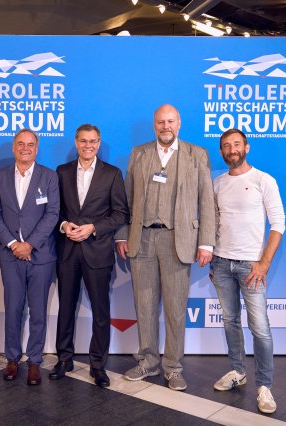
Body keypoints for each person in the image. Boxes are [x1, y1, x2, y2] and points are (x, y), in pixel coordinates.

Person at [115, 104, 215, 391]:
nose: (165, 126)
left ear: (179, 123)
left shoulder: (197, 154)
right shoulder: (139, 153)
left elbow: (206, 200)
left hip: (178, 241)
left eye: (170, 121)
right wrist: (122, 235)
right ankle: (148, 361)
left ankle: (173, 367)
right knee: (144, 305)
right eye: (161, 122)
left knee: (175, 308)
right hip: (142, 239)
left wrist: (206, 242)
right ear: (154, 125)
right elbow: (126, 199)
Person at [209, 128, 285, 414]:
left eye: (237, 144)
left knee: (260, 329)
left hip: (251, 266)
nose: (232, 150)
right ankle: (237, 372)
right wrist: (213, 258)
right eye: (226, 146)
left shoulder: (264, 180)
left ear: (247, 147)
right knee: (230, 321)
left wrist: (264, 263)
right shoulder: (217, 183)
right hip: (221, 263)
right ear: (221, 151)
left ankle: (264, 386)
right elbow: (214, 222)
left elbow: (278, 223)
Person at [50, 124, 129, 387]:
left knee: (100, 312)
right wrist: (64, 225)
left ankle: (98, 365)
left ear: (99, 143)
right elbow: (54, 211)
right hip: (68, 251)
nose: (88, 145)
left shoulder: (112, 174)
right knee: (65, 308)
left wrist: (93, 228)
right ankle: (64, 359)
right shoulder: (62, 172)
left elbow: (120, 213)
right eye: (83, 141)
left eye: (93, 141)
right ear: (76, 143)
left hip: (98, 251)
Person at [0, 128, 59, 386]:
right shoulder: (1, 176)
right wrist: (12, 244)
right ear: (13, 147)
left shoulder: (49, 176)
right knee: (13, 309)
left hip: (41, 256)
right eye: (20, 144)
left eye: (30, 144)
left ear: (36, 149)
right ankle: (12, 358)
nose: (25, 148)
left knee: (38, 311)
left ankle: (35, 361)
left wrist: (30, 244)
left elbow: (52, 214)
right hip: (11, 255)